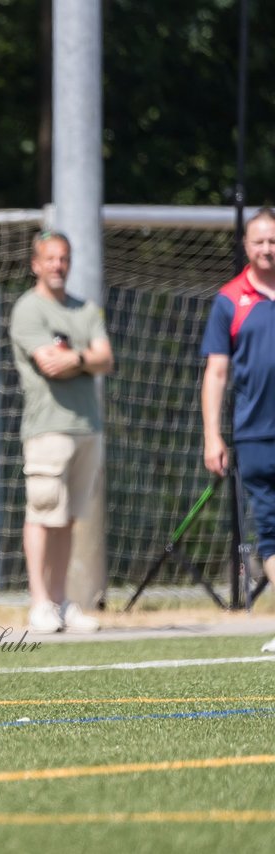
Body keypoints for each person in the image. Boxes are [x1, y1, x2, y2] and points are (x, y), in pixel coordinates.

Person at [9, 230, 113, 634]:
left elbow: (106, 359)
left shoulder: (84, 308)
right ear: (36, 263)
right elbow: (48, 362)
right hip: (47, 427)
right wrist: (86, 357)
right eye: (50, 259)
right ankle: (39, 602)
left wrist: (78, 358)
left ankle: (62, 600)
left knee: (69, 519)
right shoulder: (28, 310)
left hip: (87, 427)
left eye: (64, 258)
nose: (58, 265)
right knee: (42, 514)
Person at [200, 208, 275, 652]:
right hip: (257, 436)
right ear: (246, 246)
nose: (268, 248)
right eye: (260, 241)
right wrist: (213, 435)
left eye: (274, 240)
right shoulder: (230, 300)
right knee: (271, 531)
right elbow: (215, 373)